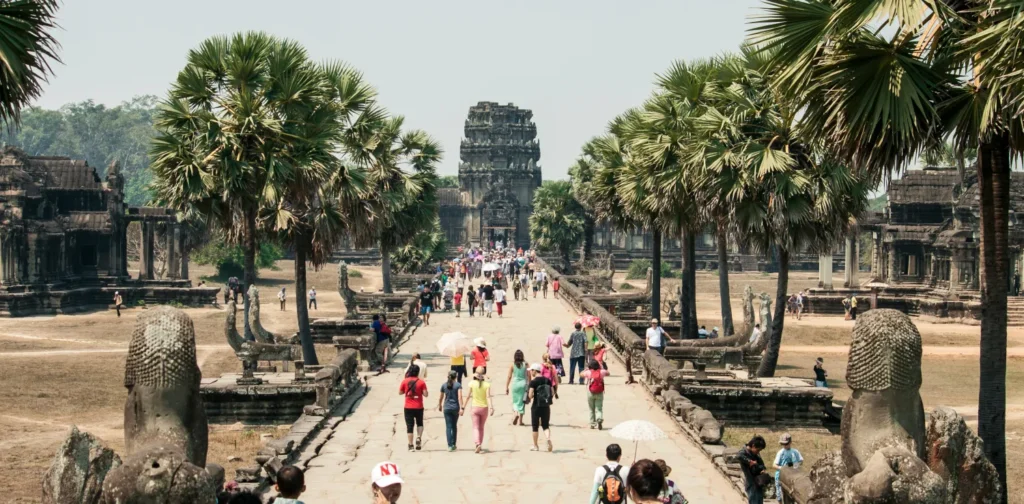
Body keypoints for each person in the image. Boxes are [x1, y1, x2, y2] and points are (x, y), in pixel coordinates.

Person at [463, 366, 494, 453]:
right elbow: (488, 396)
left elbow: (468, 396)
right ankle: (480, 443)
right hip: (484, 408)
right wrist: (491, 407)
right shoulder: (487, 384)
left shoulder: (472, 383)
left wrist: (463, 407)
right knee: (481, 427)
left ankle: (477, 443)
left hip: (475, 407)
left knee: (475, 427)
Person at [526, 362, 555, 452]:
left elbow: (530, 395)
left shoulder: (533, 382)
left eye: (531, 370)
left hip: (536, 406)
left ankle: (535, 446)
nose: (531, 372)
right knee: (545, 425)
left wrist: (533, 395)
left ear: (535, 371)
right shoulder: (547, 380)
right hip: (546, 406)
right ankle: (548, 438)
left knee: (535, 426)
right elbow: (552, 393)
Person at [398, 364, 428, 451]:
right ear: (418, 372)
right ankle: (418, 437)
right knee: (420, 423)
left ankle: (410, 445)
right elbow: (426, 394)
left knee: (410, 426)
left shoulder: (405, 381)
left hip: (408, 406)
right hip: (419, 406)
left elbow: (400, 392)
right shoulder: (421, 382)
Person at [737, 435, 769, 504]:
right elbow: (739, 456)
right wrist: (749, 461)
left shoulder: (756, 454)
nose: (758, 452)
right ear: (753, 445)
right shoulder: (744, 452)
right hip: (751, 483)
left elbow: (762, 465)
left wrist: (762, 469)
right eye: (758, 450)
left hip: (758, 482)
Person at [773, 433, 804, 503]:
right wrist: (783, 469)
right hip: (781, 477)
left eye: (786, 444)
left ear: (790, 442)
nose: (785, 446)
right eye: (783, 444)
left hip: (792, 477)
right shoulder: (780, 453)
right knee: (780, 495)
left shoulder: (795, 452)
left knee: (792, 495)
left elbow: (801, 461)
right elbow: (774, 465)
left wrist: (795, 465)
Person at [438, 369, 464, 451]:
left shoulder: (444, 385)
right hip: (455, 408)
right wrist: (462, 407)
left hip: (447, 408)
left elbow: (441, 397)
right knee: (454, 426)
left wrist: (440, 405)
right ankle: (453, 444)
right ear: (456, 377)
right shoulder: (458, 385)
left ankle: (449, 445)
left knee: (448, 427)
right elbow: (460, 397)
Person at [583, 359, 609, 429]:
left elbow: (581, 374)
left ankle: (592, 424)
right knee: (599, 408)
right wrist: (601, 368)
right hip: (600, 392)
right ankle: (599, 418)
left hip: (590, 392)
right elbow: (608, 373)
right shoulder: (601, 372)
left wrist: (586, 370)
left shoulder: (588, 372)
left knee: (591, 409)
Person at [505, 350, 528, 426]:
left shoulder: (512, 365)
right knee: (522, 402)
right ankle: (520, 421)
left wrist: (506, 387)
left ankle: (515, 413)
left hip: (515, 384)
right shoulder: (526, 364)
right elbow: (529, 375)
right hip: (523, 384)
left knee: (515, 401)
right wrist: (530, 385)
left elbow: (509, 376)